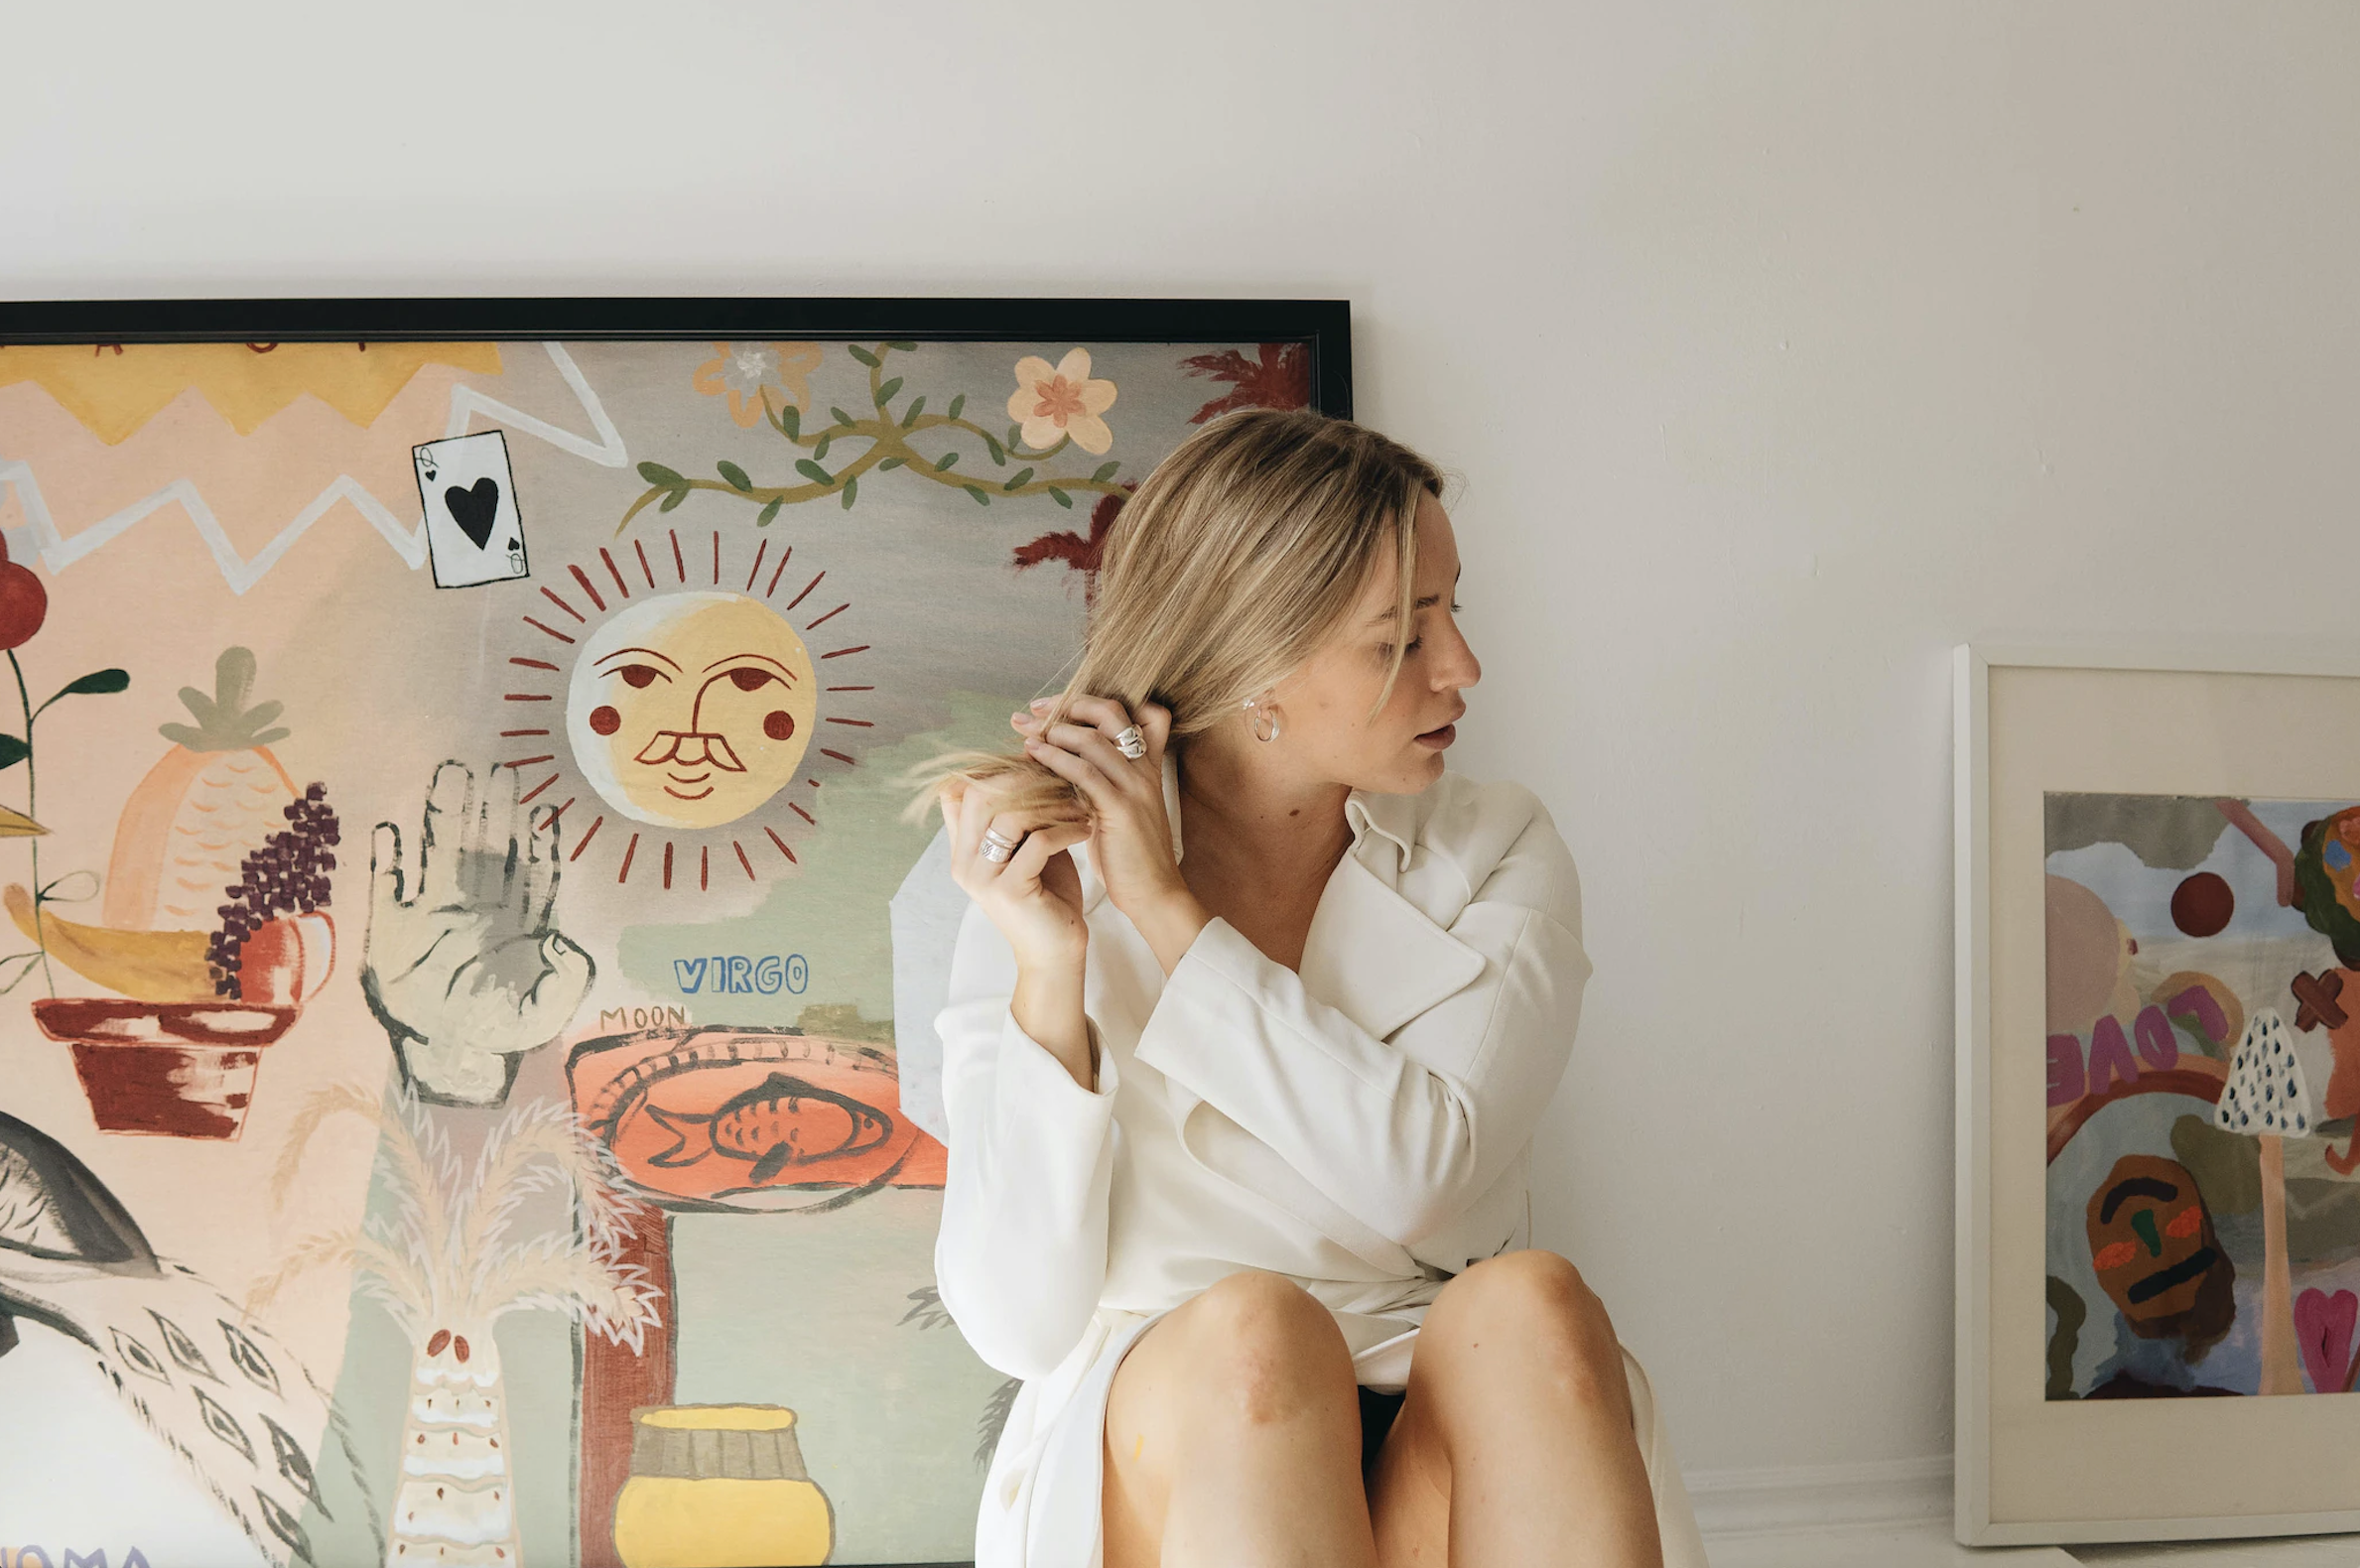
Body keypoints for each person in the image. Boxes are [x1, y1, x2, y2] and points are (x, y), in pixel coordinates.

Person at [903, 409, 1705, 1567]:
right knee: (1257, 1331)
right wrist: (1050, 967)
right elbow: (1016, 1322)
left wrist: (1169, 913)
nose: (1462, 668)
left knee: (1531, 1303)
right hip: (1172, 1416)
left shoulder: (1497, 843)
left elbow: (1418, 1174)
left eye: (1452, 612)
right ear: (1256, 659)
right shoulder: (1048, 869)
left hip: (1435, 1391)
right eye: (1402, 633)